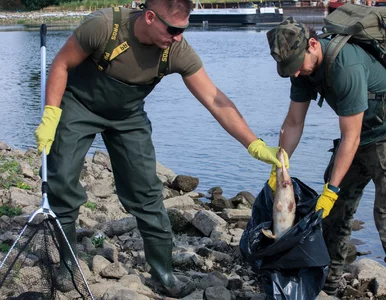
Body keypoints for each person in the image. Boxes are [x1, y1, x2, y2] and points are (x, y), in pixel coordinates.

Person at [34, 0, 287, 298]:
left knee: (147, 193)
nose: (179, 36)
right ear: (150, 17)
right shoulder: (104, 26)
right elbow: (61, 64)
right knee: (61, 181)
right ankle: (67, 261)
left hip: (127, 117)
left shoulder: (177, 51)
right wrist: (52, 115)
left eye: (184, 29)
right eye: (173, 29)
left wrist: (254, 144)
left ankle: (162, 272)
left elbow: (215, 100)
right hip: (79, 105)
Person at [265, 16, 386, 296]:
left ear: (312, 45)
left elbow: (351, 137)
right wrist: (279, 166)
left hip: (381, 137)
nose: (294, 74)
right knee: (331, 214)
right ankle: (328, 284)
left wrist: (331, 189)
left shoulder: (346, 66)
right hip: (358, 136)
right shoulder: (303, 71)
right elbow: (294, 122)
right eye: (287, 70)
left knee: (383, 214)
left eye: (295, 67)